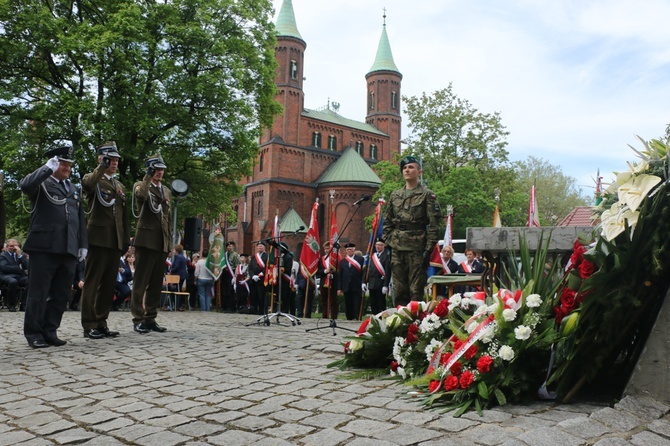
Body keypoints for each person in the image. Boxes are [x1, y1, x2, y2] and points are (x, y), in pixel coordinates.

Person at [20, 145, 88, 348]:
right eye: (63, 163)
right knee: (38, 293)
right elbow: (24, 185)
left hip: (68, 247)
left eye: (69, 164)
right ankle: (33, 333)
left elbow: (80, 218)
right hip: (44, 246)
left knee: (60, 294)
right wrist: (46, 169)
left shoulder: (73, 188)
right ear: (54, 163)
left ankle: (50, 330)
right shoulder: (41, 183)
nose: (67, 167)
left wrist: (82, 243)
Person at [80, 141, 129, 339]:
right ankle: (89, 323)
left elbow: (124, 217)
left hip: (114, 240)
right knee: (93, 283)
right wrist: (101, 167)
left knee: (109, 284)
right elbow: (89, 185)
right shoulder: (93, 179)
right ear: (101, 158)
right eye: (110, 159)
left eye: (116, 159)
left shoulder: (119, 185)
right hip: (98, 238)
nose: (114, 162)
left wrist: (125, 240)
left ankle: (101, 321)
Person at [382, 155, 441, 306]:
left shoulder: (427, 195)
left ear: (419, 172)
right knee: (399, 289)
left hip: (417, 247)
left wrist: (428, 249)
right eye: (405, 168)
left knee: (415, 291)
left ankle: (414, 325)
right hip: (397, 246)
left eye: (411, 167)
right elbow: (387, 221)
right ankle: (399, 324)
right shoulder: (395, 195)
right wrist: (388, 243)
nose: (407, 170)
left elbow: (434, 224)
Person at [130, 154, 172, 334]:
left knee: (156, 283)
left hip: (161, 241)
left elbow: (167, 218)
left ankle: (150, 317)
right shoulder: (141, 185)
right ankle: (138, 318)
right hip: (146, 240)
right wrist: (147, 177)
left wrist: (169, 243)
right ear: (149, 169)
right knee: (140, 282)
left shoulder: (167, 191)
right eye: (156, 169)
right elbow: (141, 196)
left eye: (162, 170)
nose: (160, 173)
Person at [337, 242, 365, 321]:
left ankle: (357, 317)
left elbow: (363, 272)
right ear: (346, 251)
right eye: (348, 250)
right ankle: (349, 317)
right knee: (348, 303)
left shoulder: (360, 259)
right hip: (346, 285)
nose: (349, 251)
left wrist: (363, 282)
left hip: (356, 284)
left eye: (351, 249)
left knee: (357, 302)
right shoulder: (343, 261)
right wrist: (339, 288)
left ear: (354, 250)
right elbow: (340, 276)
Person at [0, 238, 29, 312]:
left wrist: (20, 256)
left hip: (19, 276)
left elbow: (27, 266)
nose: (14, 248)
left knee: (29, 281)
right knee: (13, 282)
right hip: (6, 276)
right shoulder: (3, 256)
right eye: (11, 246)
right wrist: (19, 268)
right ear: (7, 247)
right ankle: (11, 304)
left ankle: (24, 304)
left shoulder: (21, 255)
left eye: (16, 246)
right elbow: (5, 268)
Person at [365, 239, 391, 315]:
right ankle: (374, 318)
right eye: (377, 245)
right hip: (372, 284)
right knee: (373, 303)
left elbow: (387, 272)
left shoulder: (386, 256)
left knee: (381, 303)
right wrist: (364, 282)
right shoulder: (372, 256)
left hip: (381, 284)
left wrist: (385, 285)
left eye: (380, 245)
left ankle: (381, 319)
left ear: (384, 246)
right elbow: (367, 269)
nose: (378, 247)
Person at [317, 241, 339, 319]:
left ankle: (333, 316)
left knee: (333, 300)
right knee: (324, 300)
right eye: (325, 249)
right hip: (324, 282)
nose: (326, 250)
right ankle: (325, 315)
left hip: (333, 282)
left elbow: (338, 271)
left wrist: (332, 275)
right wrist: (325, 271)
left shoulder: (335, 259)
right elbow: (318, 272)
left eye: (328, 248)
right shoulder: (321, 259)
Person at [248, 242, 268, 315]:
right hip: (253, 279)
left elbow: (268, 267)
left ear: (264, 248)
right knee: (253, 295)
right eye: (259, 246)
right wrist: (252, 275)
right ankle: (254, 309)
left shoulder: (267, 256)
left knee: (261, 295)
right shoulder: (254, 256)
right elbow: (250, 268)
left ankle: (261, 311)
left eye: (261, 246)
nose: (260, 248)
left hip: (262, 279)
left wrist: (262, 273)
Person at [221, 241, 240, 312]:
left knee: (230, 291)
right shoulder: (224, 255)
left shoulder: (235, 255)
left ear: (233, 247)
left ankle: (231, 307)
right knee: (224, 290)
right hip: (225, 274)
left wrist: (235, 276)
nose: (229, 247)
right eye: (228, 246)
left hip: (231, 274)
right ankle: (225, 306)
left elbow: (237, 266)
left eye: (231, 246)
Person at [169, 244, 188, 310]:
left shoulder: (178, 257)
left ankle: (177, 304)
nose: (173, 251)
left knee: (176, 289)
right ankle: (179, 305)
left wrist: (171, 271)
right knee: (178, 289)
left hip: (178, 276)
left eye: (174, 250)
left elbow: (176, 267)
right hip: (182, 276)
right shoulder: (182, 257)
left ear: (177, 250)